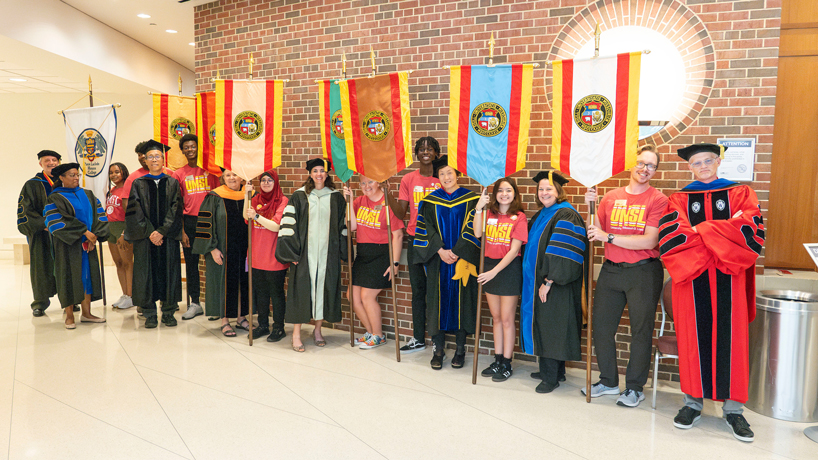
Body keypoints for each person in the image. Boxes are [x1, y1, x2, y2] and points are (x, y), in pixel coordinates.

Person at [658, 143, 764, 442]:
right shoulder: (678, 198)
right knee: (694, 340)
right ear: (689, 167)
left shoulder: (741, 193)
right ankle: (692, 404)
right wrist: (719, 234)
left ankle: (734, 411)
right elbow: (673, 235)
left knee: (733, 343)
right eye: (697, 163)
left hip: (730, 278)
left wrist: (702, 232)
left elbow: (749, 229)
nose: (703, 166)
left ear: (718, 162)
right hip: (692, 281)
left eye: (708, 160)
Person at [581, 146, 669, 407]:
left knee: (640, 331)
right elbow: (594, 230)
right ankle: (608, 381)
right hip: (611, 270)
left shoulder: (658, 199)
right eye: (641, 163)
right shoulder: (610, 197)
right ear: (632, 165)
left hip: (643, 271)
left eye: (651, 165)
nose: (645, 169)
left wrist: (608, 237)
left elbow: (650, 239)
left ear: (655, 171)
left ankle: (634, 388)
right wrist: (590, 207)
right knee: (602, 328)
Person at [521, 171, 588, 394]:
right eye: (541, 189)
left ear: (559, 191)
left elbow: (563, 252)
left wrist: (549, 280)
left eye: (549, 188)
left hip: (555, 283)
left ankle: (550, 378)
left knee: (552, 326)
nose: (544, 192)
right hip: (539, 282)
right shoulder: (544, 214)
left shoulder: (566, 215)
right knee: (547, 324)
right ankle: (554, 371)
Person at [412, 156, 480, 370]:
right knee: (436, 303)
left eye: (450, 172)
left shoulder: (471, 199)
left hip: (463, 261)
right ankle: (438, 349)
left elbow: (473, 227)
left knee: (463, 302)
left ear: (457, 174)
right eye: (441, 173)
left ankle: (460, 349)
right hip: (438, 261)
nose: (446, 177)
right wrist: (440, 251)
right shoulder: (430, 201)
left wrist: (459, 251)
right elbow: (425, 228)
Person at [276, 158, 347, 352]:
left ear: (327, 174)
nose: (319, 174)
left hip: (327, 254)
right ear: (310, 173)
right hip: (304, 254)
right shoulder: (299, 196)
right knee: (301, 292)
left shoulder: (336, 197)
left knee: (324, 290)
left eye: (322, 171)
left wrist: (343, 250)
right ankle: (297, 334)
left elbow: (343, 225)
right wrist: (292, 252)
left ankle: (317, 331)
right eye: (315, 170)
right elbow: (288, 224)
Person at [385, 137, 441, 354]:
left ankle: (438, 340)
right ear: (416, 153)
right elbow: (401, 213)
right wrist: (388, 193)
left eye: (430, 149)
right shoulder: (409, 179)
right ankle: (418, 338)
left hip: (437, 244)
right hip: (415, 240)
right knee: (417, 292)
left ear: (436, 153)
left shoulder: (442, 179)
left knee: (435, 292)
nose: (425, 152)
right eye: (421, 149)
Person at [124, 140, 184, 329]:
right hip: (145, 238)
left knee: (169, 272)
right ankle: (149, 313)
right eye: (150, 157)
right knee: (145, 274)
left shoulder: (173, 182)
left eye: (157, 156)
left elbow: (176, 209)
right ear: (146, 161)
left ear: (163, 159)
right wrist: (151, 232)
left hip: (167, 238)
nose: (154, 159)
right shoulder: (138, 183)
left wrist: (162, 231)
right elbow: (135, 210)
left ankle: (168, 312)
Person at [474, 177, 528, 382]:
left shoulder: (519, 217)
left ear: (514, 193)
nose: (504, 194)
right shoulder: (489, 214)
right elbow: (477, 233)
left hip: (507, 270)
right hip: (489, 266)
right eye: (500, 191)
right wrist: (479, 209)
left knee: (506, 319)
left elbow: (515, 250)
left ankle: (507, 362)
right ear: (495, 194)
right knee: (496, 318)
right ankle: (497, 360)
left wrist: (493, 272)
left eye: (508, 190)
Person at [44, 163, 109, 329]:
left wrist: (94, 237)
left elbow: (99, 215)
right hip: (68, 245)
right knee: (69, 277)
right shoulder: (55, 197)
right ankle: (70, 316)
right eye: (72, 175)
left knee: (87, 277)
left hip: (89, 245)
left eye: (77, 175)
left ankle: (87, 313)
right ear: (62, 178)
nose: (75, 178)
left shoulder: (87, 194)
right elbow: (56, 222)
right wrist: (84, 233)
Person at [344, 175, 405, 349]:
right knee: (352, 296)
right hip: (363, 254)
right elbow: (353, 226)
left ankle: (378, 334)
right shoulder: (359, 201)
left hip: (381, 254)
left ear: (378, 182)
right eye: (363, 183)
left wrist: (394, 263)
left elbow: (398, 235)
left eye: (370, 181)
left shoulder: (388, 204)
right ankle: (372, 333)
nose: (366, 186)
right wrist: (348, 202)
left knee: (367, 296)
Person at [192, 169, 249, 337]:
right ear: (223, 178)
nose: (232, 178)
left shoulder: (249, 195)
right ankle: (225, 321)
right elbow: (205, 224)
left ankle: (241, 317)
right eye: (228, 175)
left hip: (244, 250)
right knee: (223, 283)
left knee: (242, 282)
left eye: (235, 174)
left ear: (241, 178)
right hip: (222, 250)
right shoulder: (214, 197)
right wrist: (212, 248)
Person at [172, 134, 220, 320]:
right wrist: (183, 230)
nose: (190, 149)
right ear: (183, 151)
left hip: (210, 221)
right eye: (187, 147)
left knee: (213, 263)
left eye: (193, 146)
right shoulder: (179, 174)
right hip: (190, 223)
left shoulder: (211, 171)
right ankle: (195, 303)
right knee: (192, 265)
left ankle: (215, 304)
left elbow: (218, 197)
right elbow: (178, 204)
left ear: (198, 148)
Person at [244, 170, 289, 342]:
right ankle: (263, 325)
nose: (266, 183)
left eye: (270, 180)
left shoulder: (282, 200)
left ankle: (279, 328)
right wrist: (247, 196)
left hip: (274, 256)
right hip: (256, 255)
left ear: (275, 182)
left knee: (276, 293)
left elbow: (276, 226)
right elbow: (245, 217)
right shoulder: (255, 199)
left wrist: (256, 215)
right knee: (261, 293)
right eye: (263, 180)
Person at [17, 149, 60, 317]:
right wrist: (45, 224)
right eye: (47, 160)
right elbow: (25, 210)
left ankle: (69, 301)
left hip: (63, 234)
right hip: (41, 233)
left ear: (58, 162)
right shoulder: (32, 184)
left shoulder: (65, 181)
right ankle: (40, 303)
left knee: (65, 266)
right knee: (40, 268)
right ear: (40, 163)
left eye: (54, 160)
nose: (51, 162)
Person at [106, 162, 135, 310]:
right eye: (111, 172)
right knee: (118, 263)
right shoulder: (111, 190)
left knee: (127, 263)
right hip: (111, 228)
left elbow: (130, 213)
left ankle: (131, 296)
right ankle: (124, 294)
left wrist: (125, 232)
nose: (114, 175)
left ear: (123, 172)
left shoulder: (127, 189)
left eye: (117, 172)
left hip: (122, 228)